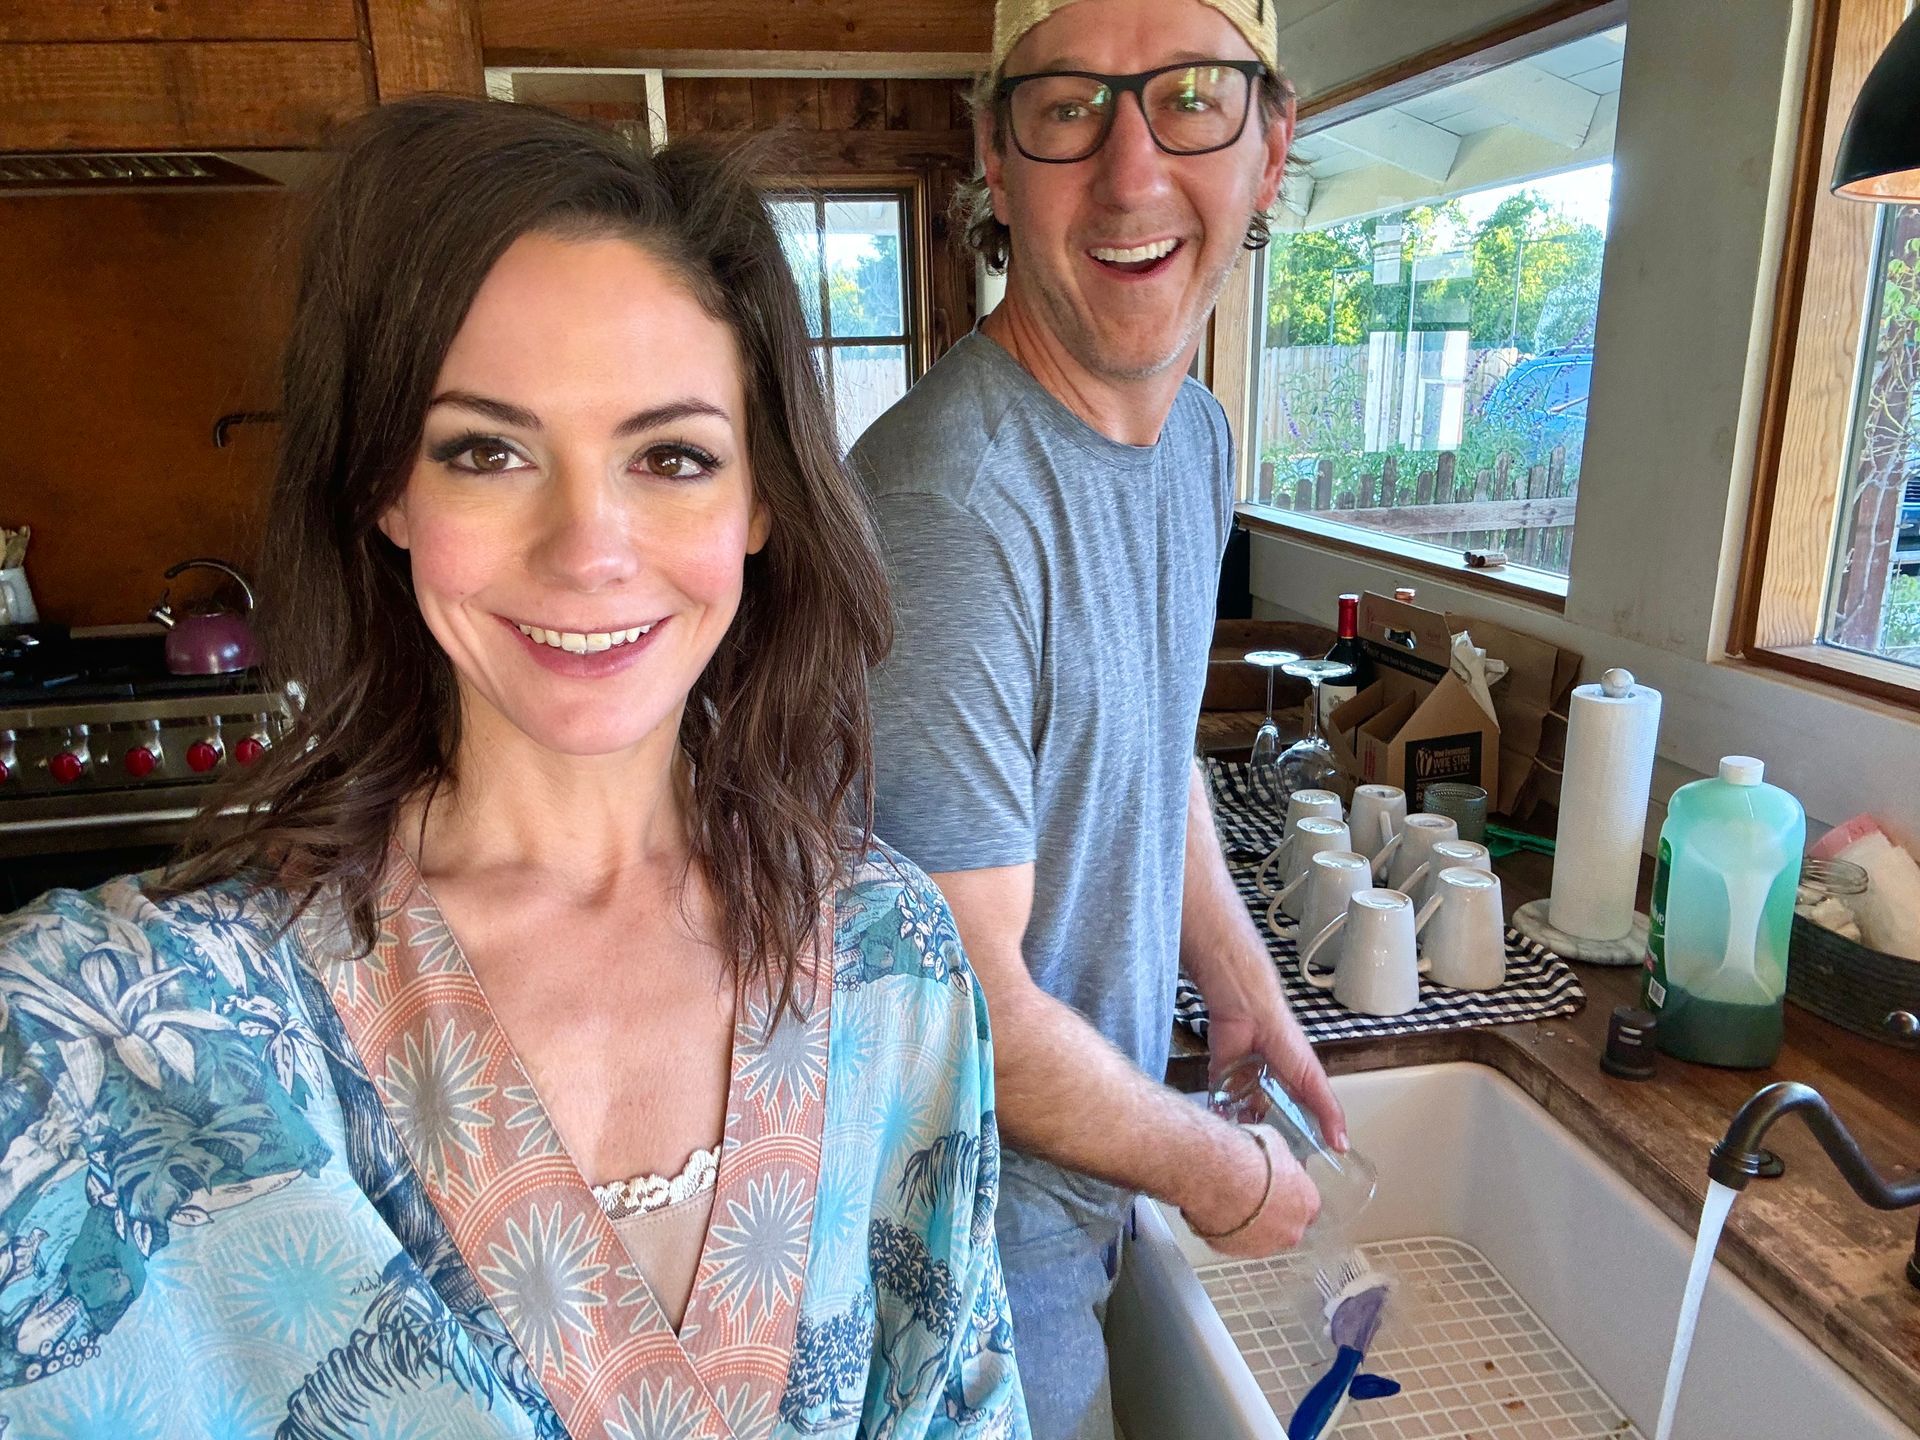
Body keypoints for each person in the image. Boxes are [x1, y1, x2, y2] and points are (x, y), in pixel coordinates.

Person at [0, 97, 1024, 1440]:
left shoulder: (895, 960)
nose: (588, 548)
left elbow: (966, 1404)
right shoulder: (113, 1039)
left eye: (672, 456)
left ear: (763, 500)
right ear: (388, 490)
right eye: (486, 450)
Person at [850, 1, 1345, 1434]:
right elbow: (966, 1012)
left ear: (1271, 142)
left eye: (1191, 98)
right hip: (970, 1269)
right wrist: (1218, 1167)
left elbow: (1149, 750)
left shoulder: (1192, 440)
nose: (1130, 176)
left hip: (1088, 1200)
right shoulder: (950, 507)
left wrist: (1240, 985)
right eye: (1068, 107)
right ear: (996, 165)